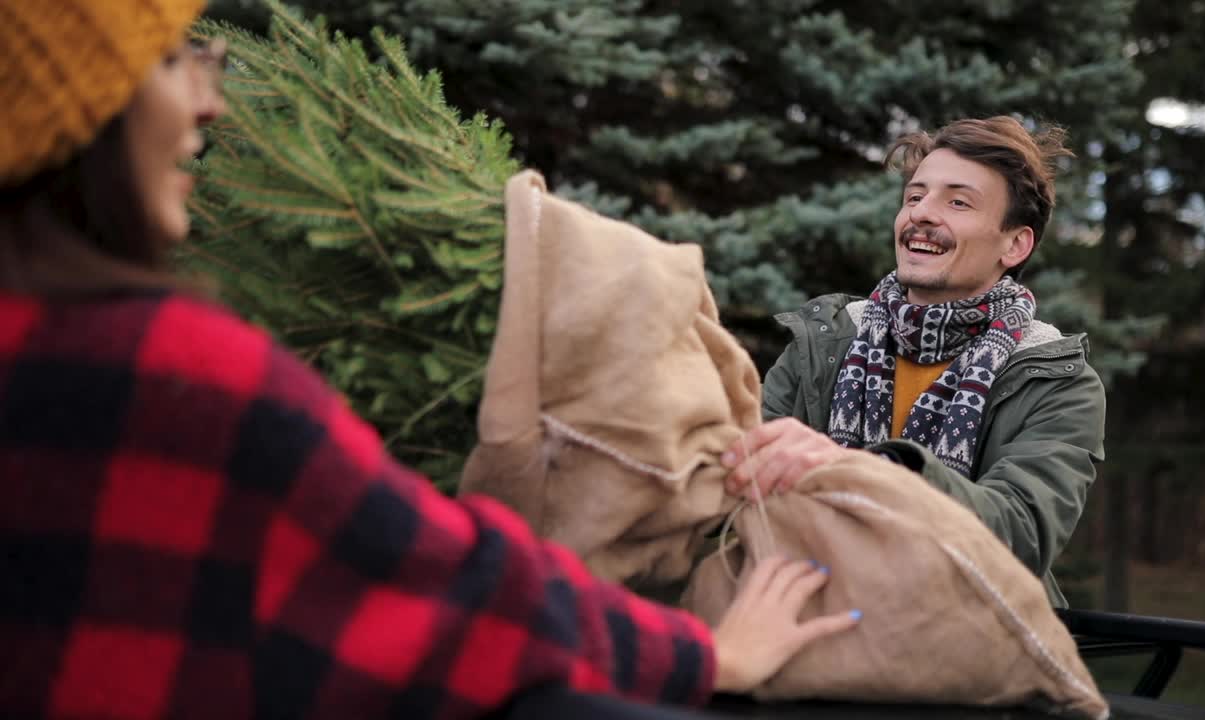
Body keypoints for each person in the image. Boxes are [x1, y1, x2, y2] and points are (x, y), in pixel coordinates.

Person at [0, 1, 859, 717]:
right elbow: (446, 587)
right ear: (79, 108)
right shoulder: (169, 373)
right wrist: (707, 654)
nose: (210, 98)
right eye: (168, 61)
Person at [722, 117, 1106, 607]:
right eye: (914, 196)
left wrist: (873, 471)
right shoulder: (825, 341)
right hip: (804, 612)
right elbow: (736, 484)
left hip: (970, 640)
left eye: (957, 201)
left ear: (1015, 244)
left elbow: (1020, 533)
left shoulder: (1056, 380)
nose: (922, 213)